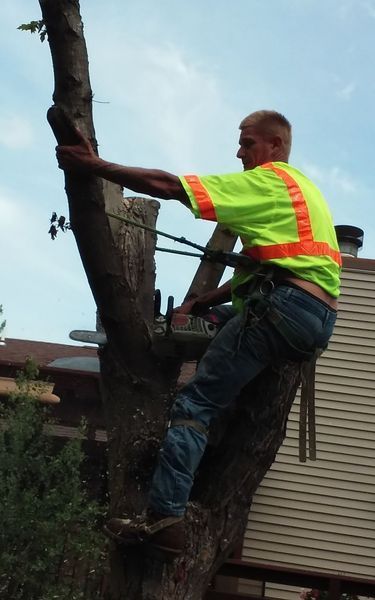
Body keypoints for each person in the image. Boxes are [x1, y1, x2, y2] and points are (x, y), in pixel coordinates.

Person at [57, 110, 341, 555]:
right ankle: (194, 442)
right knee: (226, 323)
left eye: (247, 143)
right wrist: (202, 304)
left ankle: (165, 516)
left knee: (196, 402)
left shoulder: (269, 181)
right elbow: (271, 269)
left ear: (275, 146)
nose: (239, 151)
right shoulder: (308, 195)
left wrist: (94, 166)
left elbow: (172, 187)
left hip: (280, 307)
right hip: (312, 319)